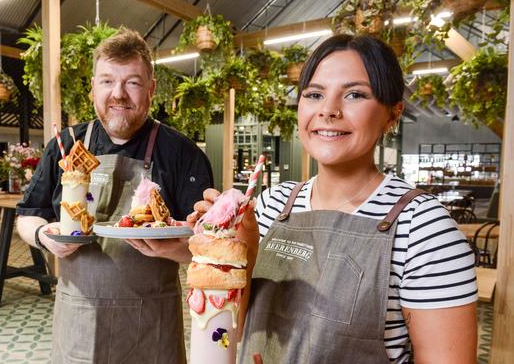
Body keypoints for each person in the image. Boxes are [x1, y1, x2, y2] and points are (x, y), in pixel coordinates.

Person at [190, 35, 477, 363]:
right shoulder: (273, 204)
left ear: (392, 115)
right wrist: (240, 252)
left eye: (355, 94)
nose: (328, 110)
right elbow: (234, 331)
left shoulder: (423, 228)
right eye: (314, 94)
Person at [15, 28, 213, 363]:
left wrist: (176, 248)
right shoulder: (66, 146)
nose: (118, 94)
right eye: (107, 81)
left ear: (150, 89)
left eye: (132, 82)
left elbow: (206, 245)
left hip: (152, 325)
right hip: (78, 322)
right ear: (92, 88)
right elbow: (27, 215)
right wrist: (42, 236)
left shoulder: (182, 153)